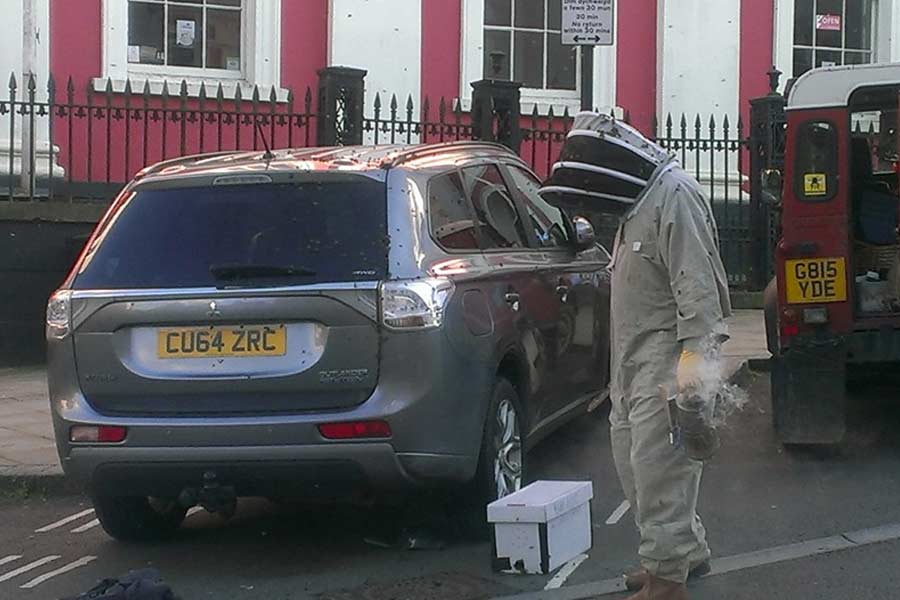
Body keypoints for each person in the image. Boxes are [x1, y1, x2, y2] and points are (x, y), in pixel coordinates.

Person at [542, 112, 731, 600]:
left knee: (659, 470)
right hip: (633, 363)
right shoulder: (641, 203)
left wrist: (693, 384)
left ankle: (667, 581)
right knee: (635, 465)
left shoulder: (675, 197)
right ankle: (682, 553)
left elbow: (700, 301)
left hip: (666, 363)